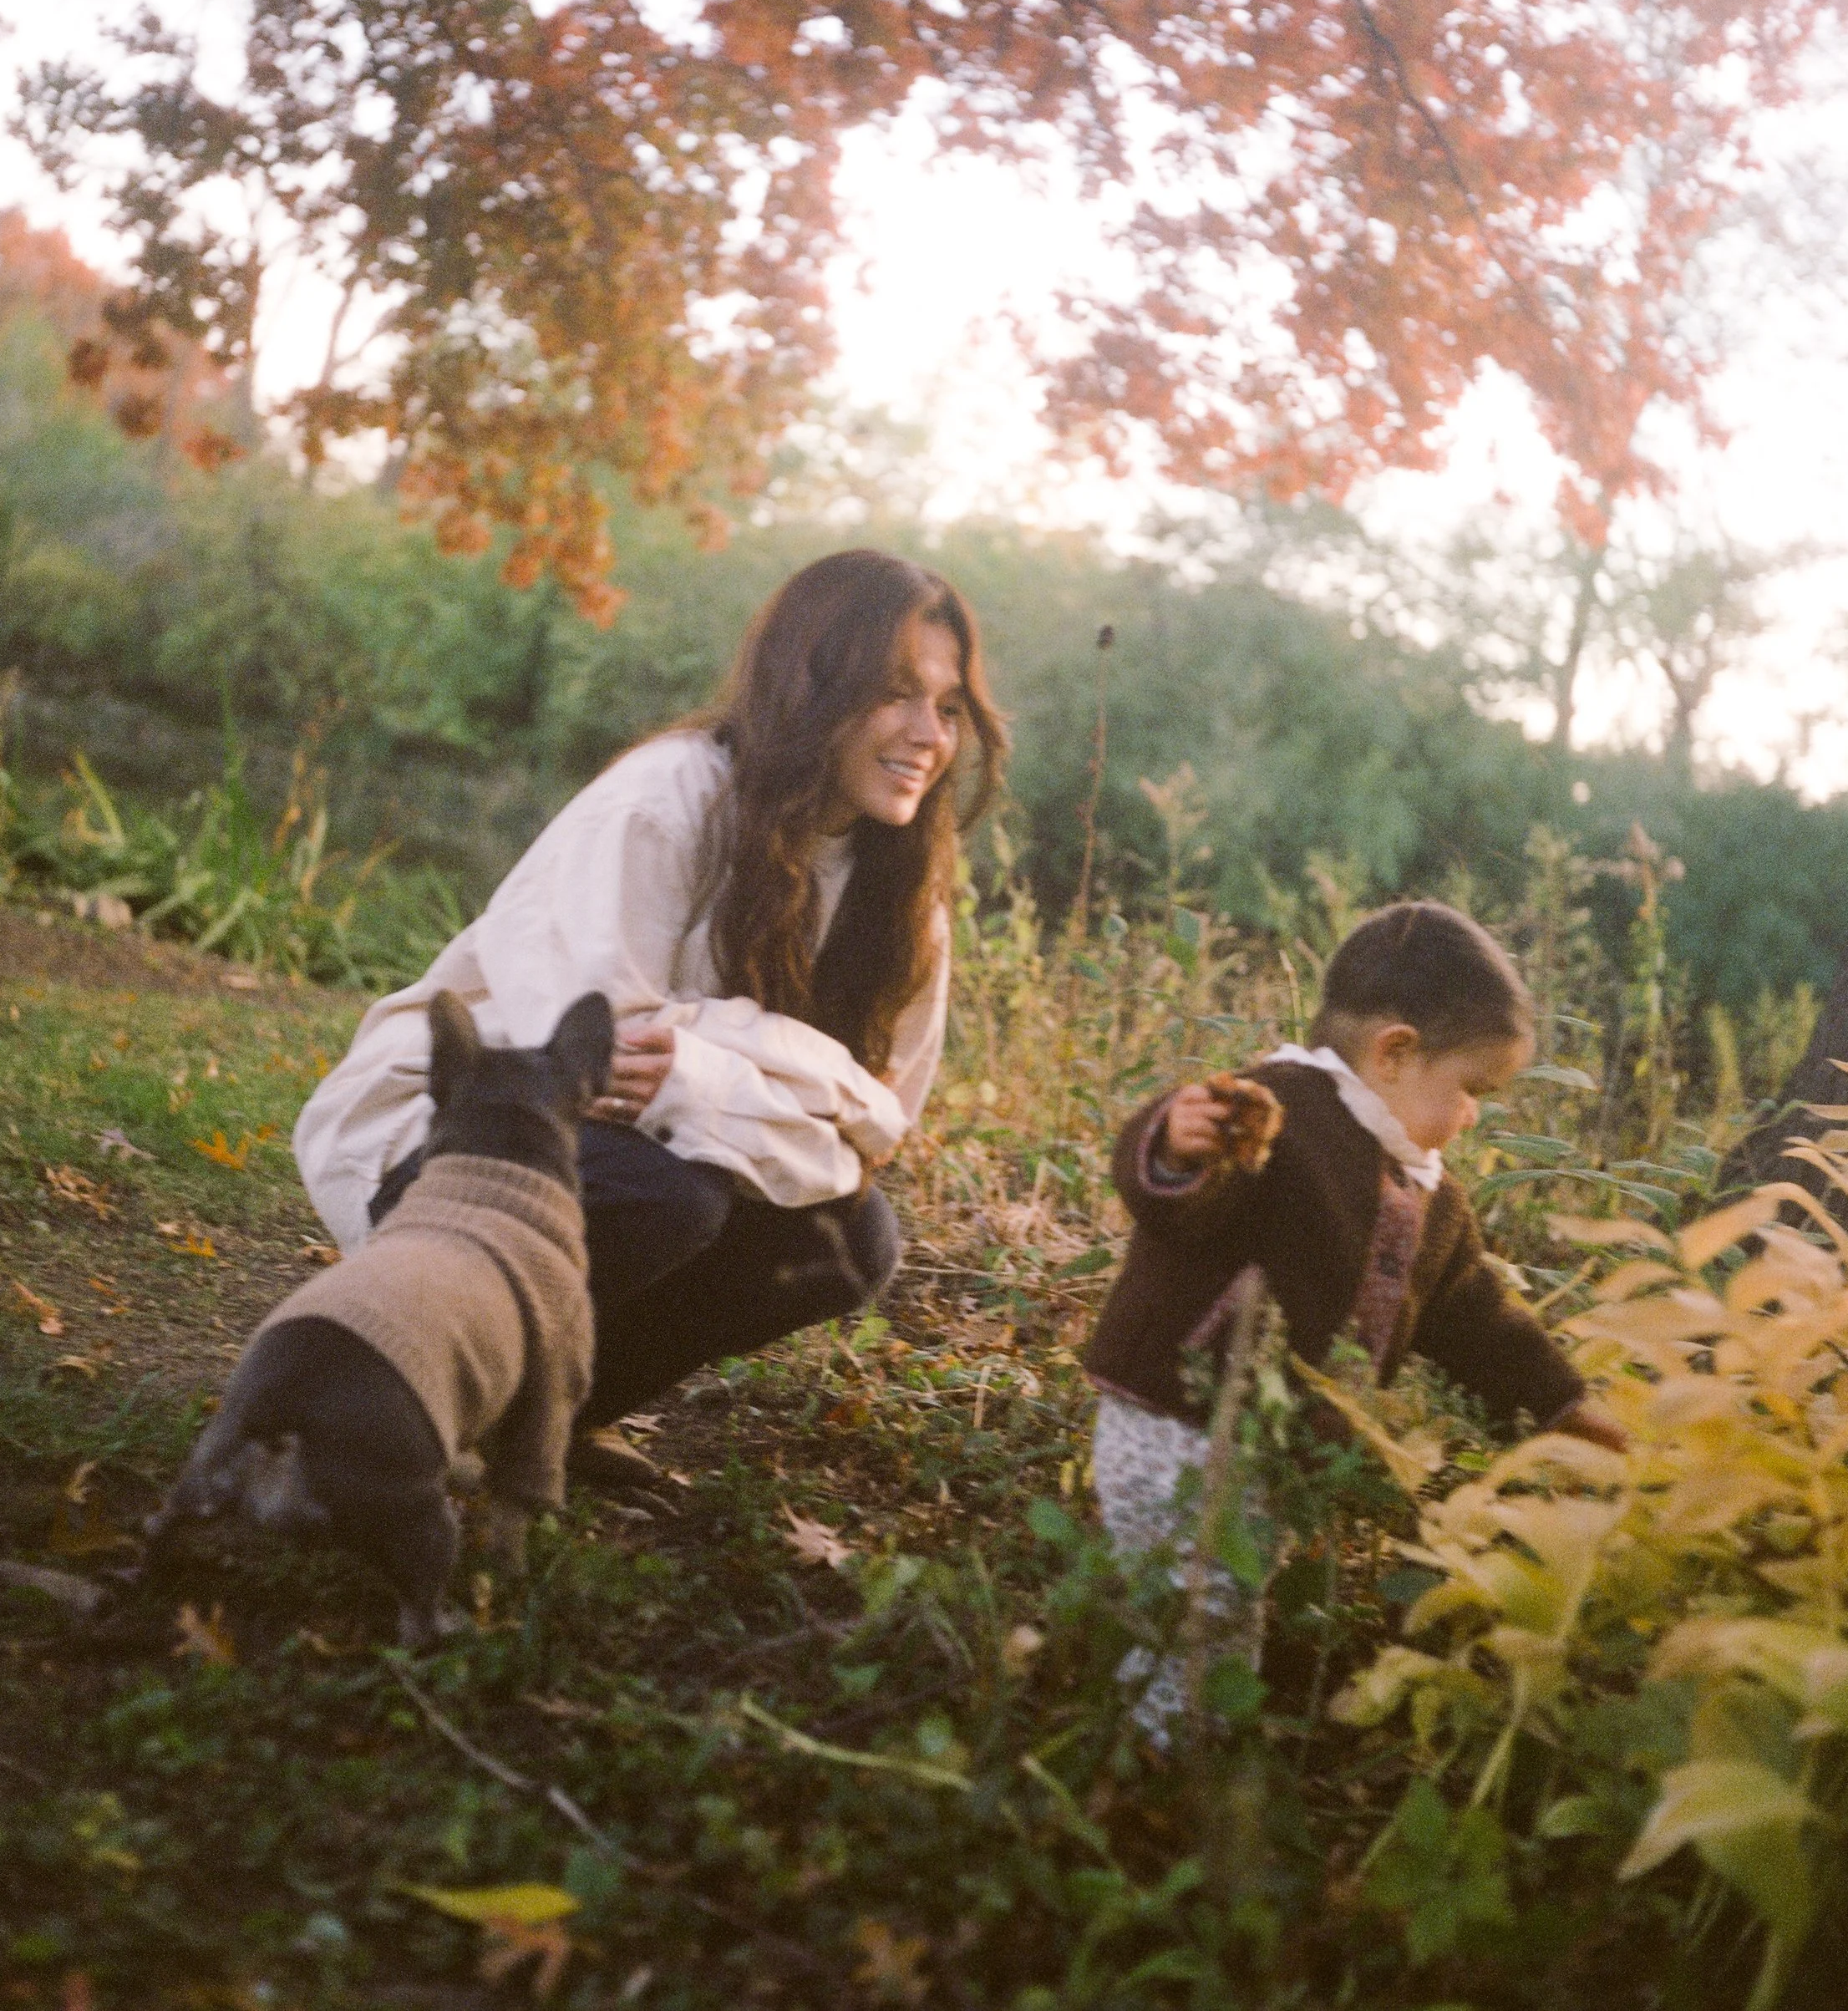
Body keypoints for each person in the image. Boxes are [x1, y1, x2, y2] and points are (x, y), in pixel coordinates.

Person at [294, 549, 1008, 1476]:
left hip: (651, 1156)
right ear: (815, 685)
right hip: (459, 1143)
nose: (928, 733)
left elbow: (875, 1127)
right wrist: (784, 1087)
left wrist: (702, 1065)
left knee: (849, 1241)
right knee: (671, 1192)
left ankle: (535, 1424)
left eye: (948, 707)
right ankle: (381, 1398)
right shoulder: (667, 798)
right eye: (896, 694)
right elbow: (596, 1064)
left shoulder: (905, 892)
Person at [1081, 900, 1628, 1745]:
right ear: (1396, 1052)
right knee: (1204, 1606)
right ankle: (1163, 1764)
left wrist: (1558, 1400)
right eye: (1472, 1090)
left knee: (1221, 1593)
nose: (1474, 1114)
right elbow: (1179, 1194)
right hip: (1176, 1420)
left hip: (1265, 1447)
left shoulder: (1430, 1196)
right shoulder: (1278, 1107)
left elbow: (1471, 1310)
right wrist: (1178, 1145)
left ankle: (1142, 1722)